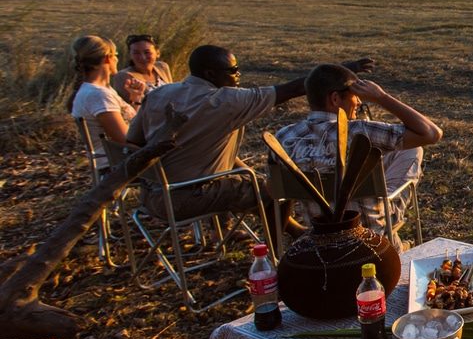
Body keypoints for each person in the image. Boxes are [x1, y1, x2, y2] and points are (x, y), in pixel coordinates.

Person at [126, 44, 374, 228]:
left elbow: (133, 141)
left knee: (240, 173)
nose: (238, 75)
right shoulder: (225, 101)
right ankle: (292, 239)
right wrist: (342, 73)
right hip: (184, 197)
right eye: (233, 70)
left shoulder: (160, 93)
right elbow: (295, 88)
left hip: (150, 193)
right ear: (211, 74)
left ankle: (225, 230)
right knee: (275, 188)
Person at [275, 63, 443, 250]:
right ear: (336, 98)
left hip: (318, 233)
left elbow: (276, 192)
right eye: (356, 96)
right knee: (414, 149)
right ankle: (395, 247)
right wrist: (381, 97)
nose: (359, 102)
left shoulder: (283, 137)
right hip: (372, 232)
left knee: (388, 157)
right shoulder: (361, 131)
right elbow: (430, 133)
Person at [68, 35, 144, 168]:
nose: (117, 59)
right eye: (116, 54)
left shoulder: (100, 91)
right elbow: (126, 140)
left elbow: (130, 127)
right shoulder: (98, 95)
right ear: (108, 58)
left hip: (122, 159)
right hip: (119, 164)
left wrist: (136, 99)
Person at [111, 33, 172, 106]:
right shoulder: (124, 76)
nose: (142, 57)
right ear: (130, 55)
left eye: (147, 52)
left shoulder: (162, 67)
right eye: (136, 53)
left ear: (157, 53)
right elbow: (129, 109)